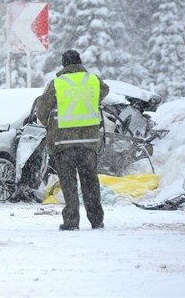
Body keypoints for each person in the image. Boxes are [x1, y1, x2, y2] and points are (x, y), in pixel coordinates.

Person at [35, 49, 109, 231]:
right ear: (80, 62)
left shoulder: (57, 83)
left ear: (63, 64)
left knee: (68, 183)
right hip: (88, 141)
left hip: (63, 142)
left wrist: (48, 123)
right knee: (90, 182)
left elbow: (42, 110)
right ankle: (96, 220)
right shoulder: (93, 80)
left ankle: (71, 221)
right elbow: (104, 91)